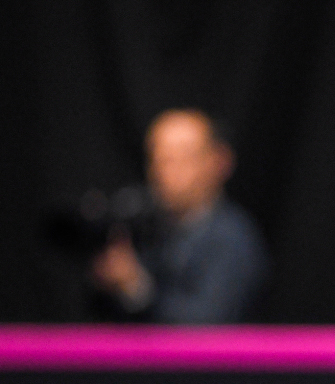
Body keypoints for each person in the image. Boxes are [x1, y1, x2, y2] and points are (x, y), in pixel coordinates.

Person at [91, 108, 269, 323]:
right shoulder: (147, 227)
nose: (165, 171)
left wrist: (135, 286)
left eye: (182, 157)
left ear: (219, 162)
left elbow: (204, 324)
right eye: (159, 158)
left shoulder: (232, 238)